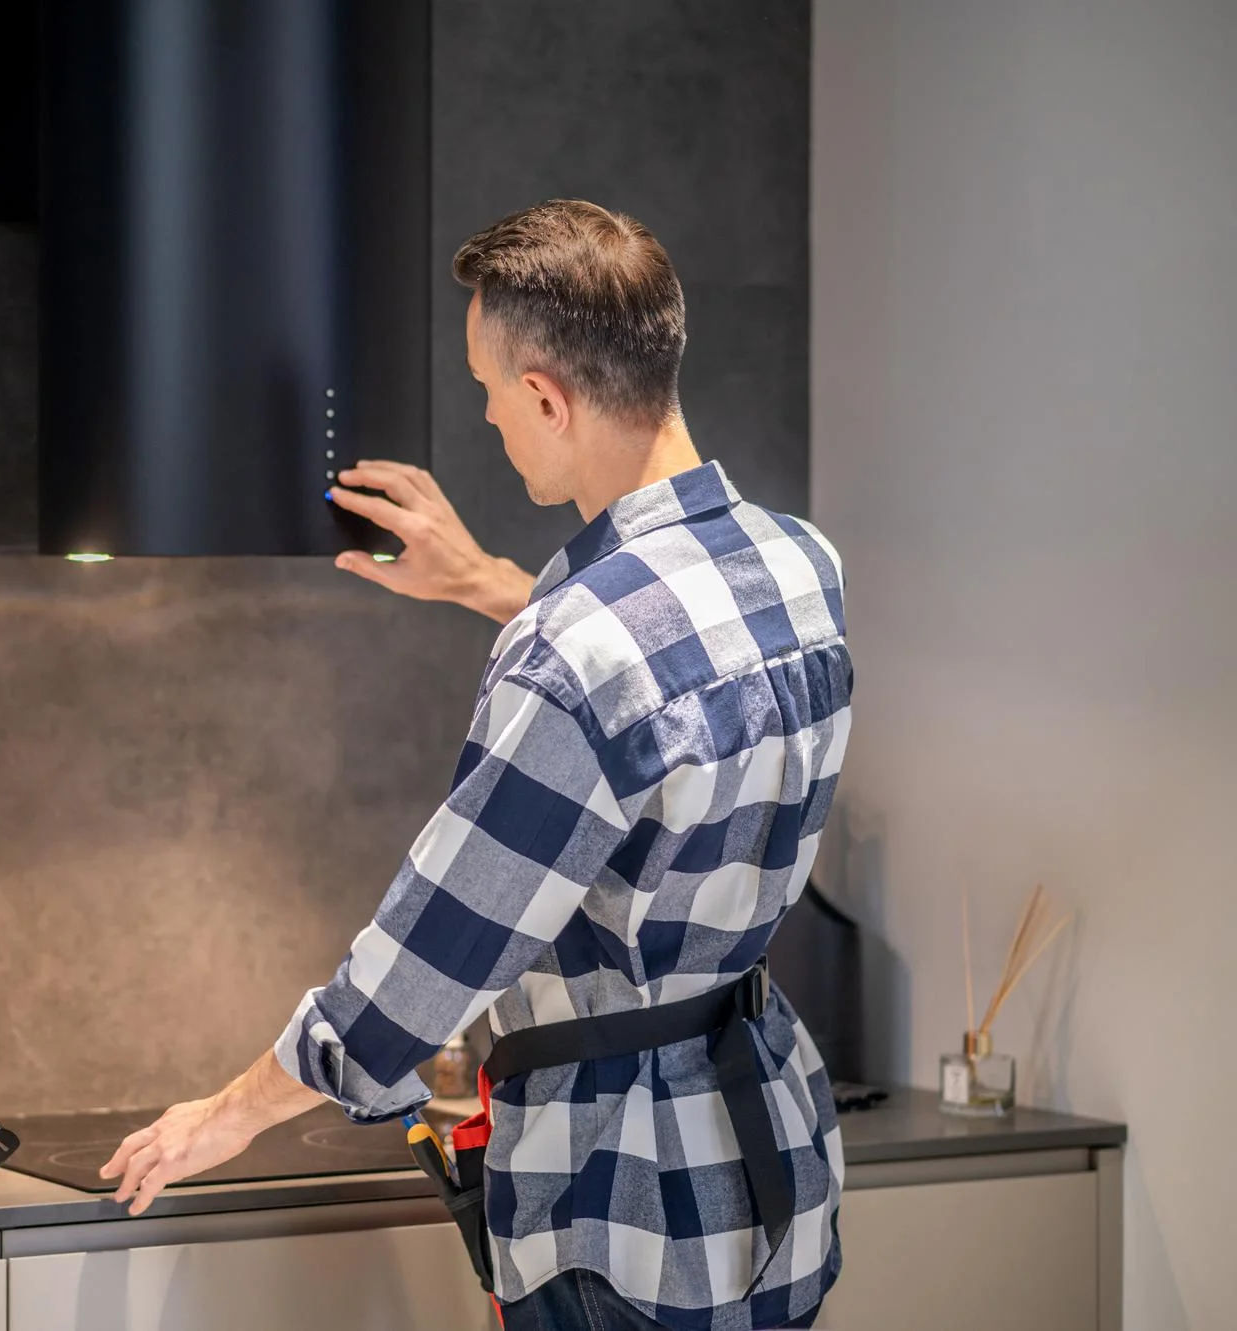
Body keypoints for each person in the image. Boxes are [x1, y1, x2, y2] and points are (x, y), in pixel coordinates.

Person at [101, 200, 850, 1331]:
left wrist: (228, 1111)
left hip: (620, 1209)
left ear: (548, 396)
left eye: (490, 390)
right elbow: (668, 693)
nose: (491, 417)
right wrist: (486, 583)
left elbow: (426, 962)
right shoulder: (796, 565)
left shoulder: (575, 652)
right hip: (767, 1174)